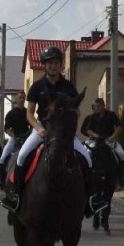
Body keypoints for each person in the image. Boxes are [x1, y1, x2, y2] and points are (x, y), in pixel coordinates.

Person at [14, 45, 93, 177]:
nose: (53, 66)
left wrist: (70, 120)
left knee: (87, 159)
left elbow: (77, 111)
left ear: (61, 65)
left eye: (56, 63)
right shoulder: (36, 86)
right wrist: (39, 129)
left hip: (64, 132)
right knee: (22, 156)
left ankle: (90, 195)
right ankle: (17, 195)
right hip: (42, 130)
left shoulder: (69, 86)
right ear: (44, 65)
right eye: (50, 62)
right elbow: (29, 113)